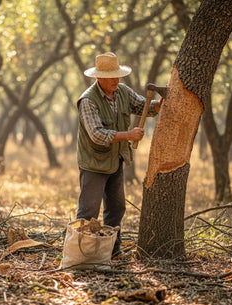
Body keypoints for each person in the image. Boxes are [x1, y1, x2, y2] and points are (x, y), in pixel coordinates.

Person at [76, 52, 163, 257]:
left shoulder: (122, 91)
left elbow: (144, 107)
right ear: (99, 78)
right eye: (111, 77)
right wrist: (128, 135)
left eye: (118, 76)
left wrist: (159, 104)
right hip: (94, 164)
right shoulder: (88, 100)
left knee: (116, 209)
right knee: (88, 212)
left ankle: (112, 251)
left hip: (116, 161)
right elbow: (97, 135)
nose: (116, 80)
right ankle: (80, 254)